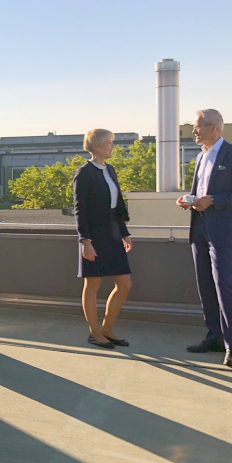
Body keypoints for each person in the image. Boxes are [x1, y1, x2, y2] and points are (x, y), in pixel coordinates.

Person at [177, 109, 232, 368]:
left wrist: (214, 201)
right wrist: (189, 201)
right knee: (205, 286)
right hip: (199, 227)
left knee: (224, 286)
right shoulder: (200, 156)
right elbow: (201, 191)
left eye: (198, 126)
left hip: (223, 230)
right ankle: (215, 337)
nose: (194, 131)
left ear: (215, 128)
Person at [74, 129, 133, 349]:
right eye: (110, 143)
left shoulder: (111, 170)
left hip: (113, 231)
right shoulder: (84, 173)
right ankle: (94, 332)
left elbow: (117, 206)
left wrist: (124, 232)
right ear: (97, 146)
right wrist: (85, 241)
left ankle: (107, 329)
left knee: (124, 283)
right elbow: (80, 210)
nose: (113, 146)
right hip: (93, 234)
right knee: (93, 283)